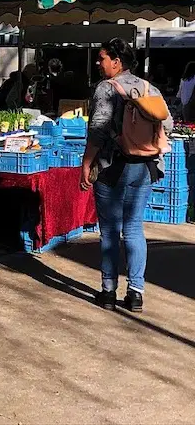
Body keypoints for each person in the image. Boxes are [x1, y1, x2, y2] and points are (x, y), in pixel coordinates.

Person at [81, 38, 172, 313]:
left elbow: (97, 130)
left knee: (109, 231)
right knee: (133, 228)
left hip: (112, 166)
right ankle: (136, 292)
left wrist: (86, 164)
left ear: (116, 62)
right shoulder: (148, 87)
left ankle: (108, 291)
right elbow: (166, 121)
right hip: (144, 166)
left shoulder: (106, 89)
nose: (99, 63)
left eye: (102, 58)